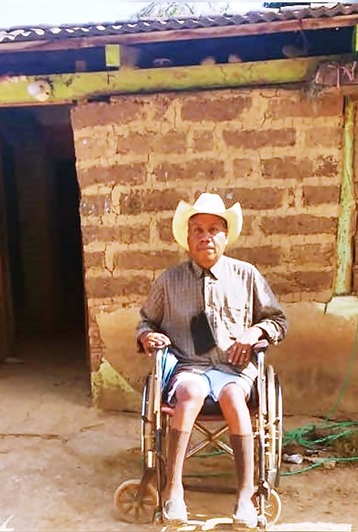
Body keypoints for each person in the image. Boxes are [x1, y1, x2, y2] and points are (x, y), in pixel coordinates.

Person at [136, 192, 288, 528]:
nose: (206, 236)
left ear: (225, 235)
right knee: (189, 394)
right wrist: (148, 336)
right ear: (188, 238)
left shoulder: (246, 275)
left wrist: (254, 333)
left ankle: (246, 497)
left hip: (235, 369)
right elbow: (146, 321)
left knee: (233, 395)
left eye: (214, 229)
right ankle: (173, 491)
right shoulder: (169, 280)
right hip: (190, 367)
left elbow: (278, 321)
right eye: (198, 230)